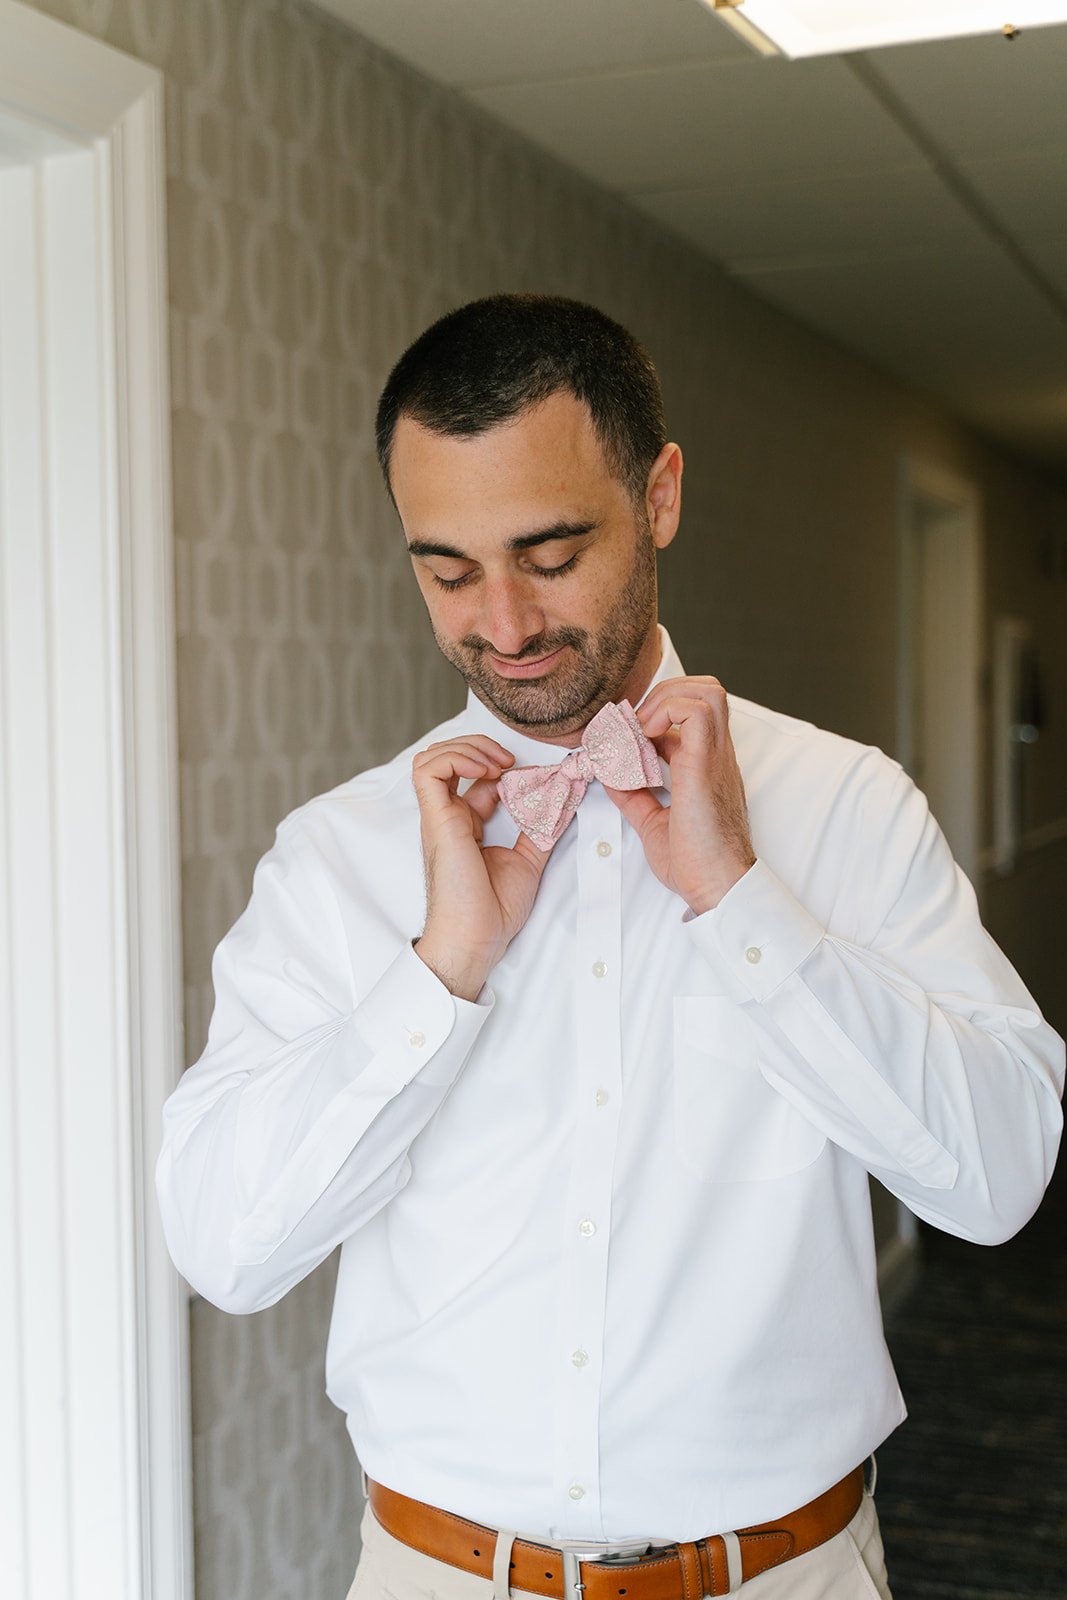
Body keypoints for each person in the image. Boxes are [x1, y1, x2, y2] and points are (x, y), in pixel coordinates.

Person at [156, 295, 1064, 1600]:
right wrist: (439, 973)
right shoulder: (338, 856)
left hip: (785, 1575)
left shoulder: (845, 805)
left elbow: (999, 1181)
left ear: (662, 496)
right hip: (439, 1575)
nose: (506, 623)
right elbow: (228, 1249)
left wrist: (743, 905)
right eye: (448, 569)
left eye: (551, 549)